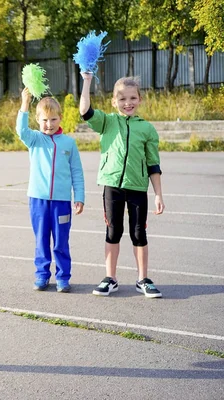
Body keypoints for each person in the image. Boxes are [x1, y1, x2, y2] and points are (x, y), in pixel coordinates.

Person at [79, 72, 165, 298]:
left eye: (132, 98)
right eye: (122, 99)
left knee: (139, 233)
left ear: (140, 99)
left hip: (137, 187)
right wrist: (87, 81)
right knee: (113, 231)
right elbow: (85, 111)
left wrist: (158, 194)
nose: (128, 103)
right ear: (114, 102)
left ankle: (143, 279)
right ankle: (110, 278)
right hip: (112, 185)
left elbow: (153, 164)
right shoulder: (107, 122)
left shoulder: (147, 129)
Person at [17, 88, 85, 293]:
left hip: (62, 202)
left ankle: (63, 277)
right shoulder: (35, 140)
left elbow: (77, 173)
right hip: (38, 200)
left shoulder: (69, 143)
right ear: (38, 120)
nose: (49, 124)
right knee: (41, 240)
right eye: (45, 120)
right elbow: (21, 131)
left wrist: (79, 196)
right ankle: (42, 275)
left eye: (53, 119)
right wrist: (25, 104)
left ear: (60, 118)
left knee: (61, 242)